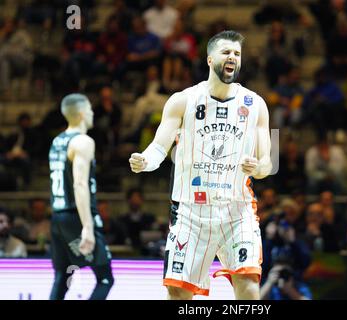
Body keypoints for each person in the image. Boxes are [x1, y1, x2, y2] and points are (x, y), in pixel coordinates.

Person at [129, 30, 272, 300]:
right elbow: (160, 147)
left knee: (249, 287)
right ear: (209, 59)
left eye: (237, 54)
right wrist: (145, 161)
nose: (233, 57)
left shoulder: (256, 105)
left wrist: (258, 167)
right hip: (190, 212)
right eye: (226, 52)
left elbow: (267, 163)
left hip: (236, 210)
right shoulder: (182, 100)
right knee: (177, 292)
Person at [48, 94, 114, 300]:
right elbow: (79, 183)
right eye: (91, 109)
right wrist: (87, 225)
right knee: (105, 278)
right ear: (82, 113)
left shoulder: (57, 141)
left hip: (58, 218)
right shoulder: (83, 141)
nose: (93, 113)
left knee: (63, 275)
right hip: (77, 217)